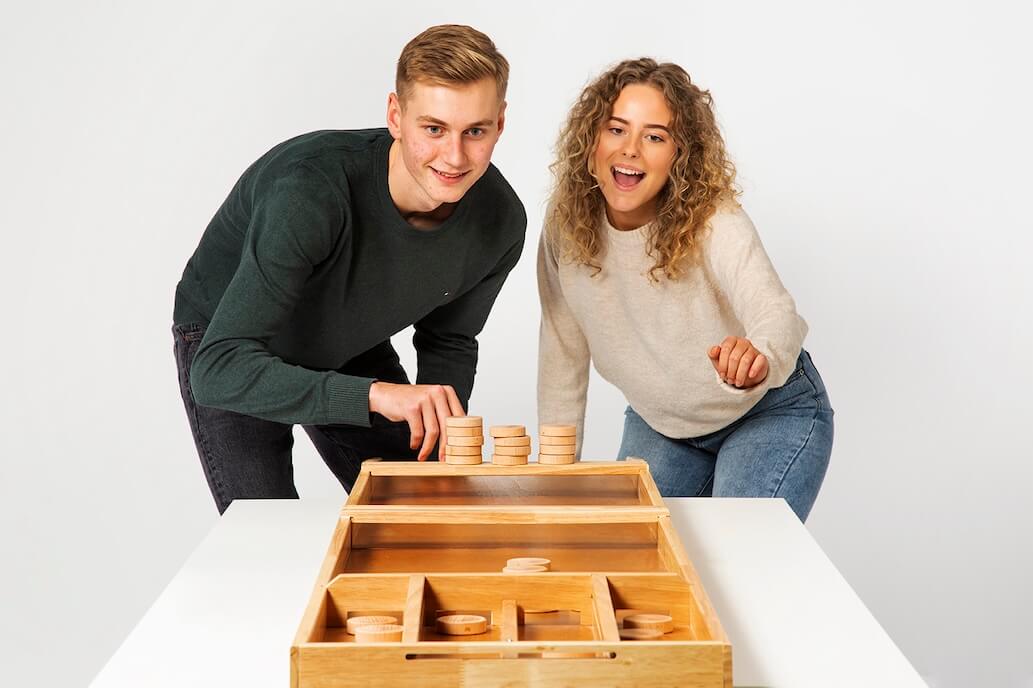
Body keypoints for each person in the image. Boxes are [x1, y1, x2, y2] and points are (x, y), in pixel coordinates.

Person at [173, 25, 525, 514]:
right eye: (434, 128)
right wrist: (374, 396)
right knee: (265, 534)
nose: (454, 156)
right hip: (234, 343)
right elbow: (215, 372)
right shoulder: (309, 192)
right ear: (395, 117)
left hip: (349, 338)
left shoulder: (501, 221)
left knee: (418, 515)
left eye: (476, 132)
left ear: (500, 124)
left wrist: (446, 445)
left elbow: (450, 339)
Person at [537, 58, 832, 521]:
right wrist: (555, 478)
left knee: (733, 564)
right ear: (590, 139)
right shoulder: (566, 227)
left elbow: (775, 310)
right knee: (628, 564)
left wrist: (760, 356)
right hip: (662, 426)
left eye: (655, 136)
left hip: (769, 410)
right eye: (616, 129)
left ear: (680, 154)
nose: (630, 150)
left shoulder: (714, 219)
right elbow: (562, 353)